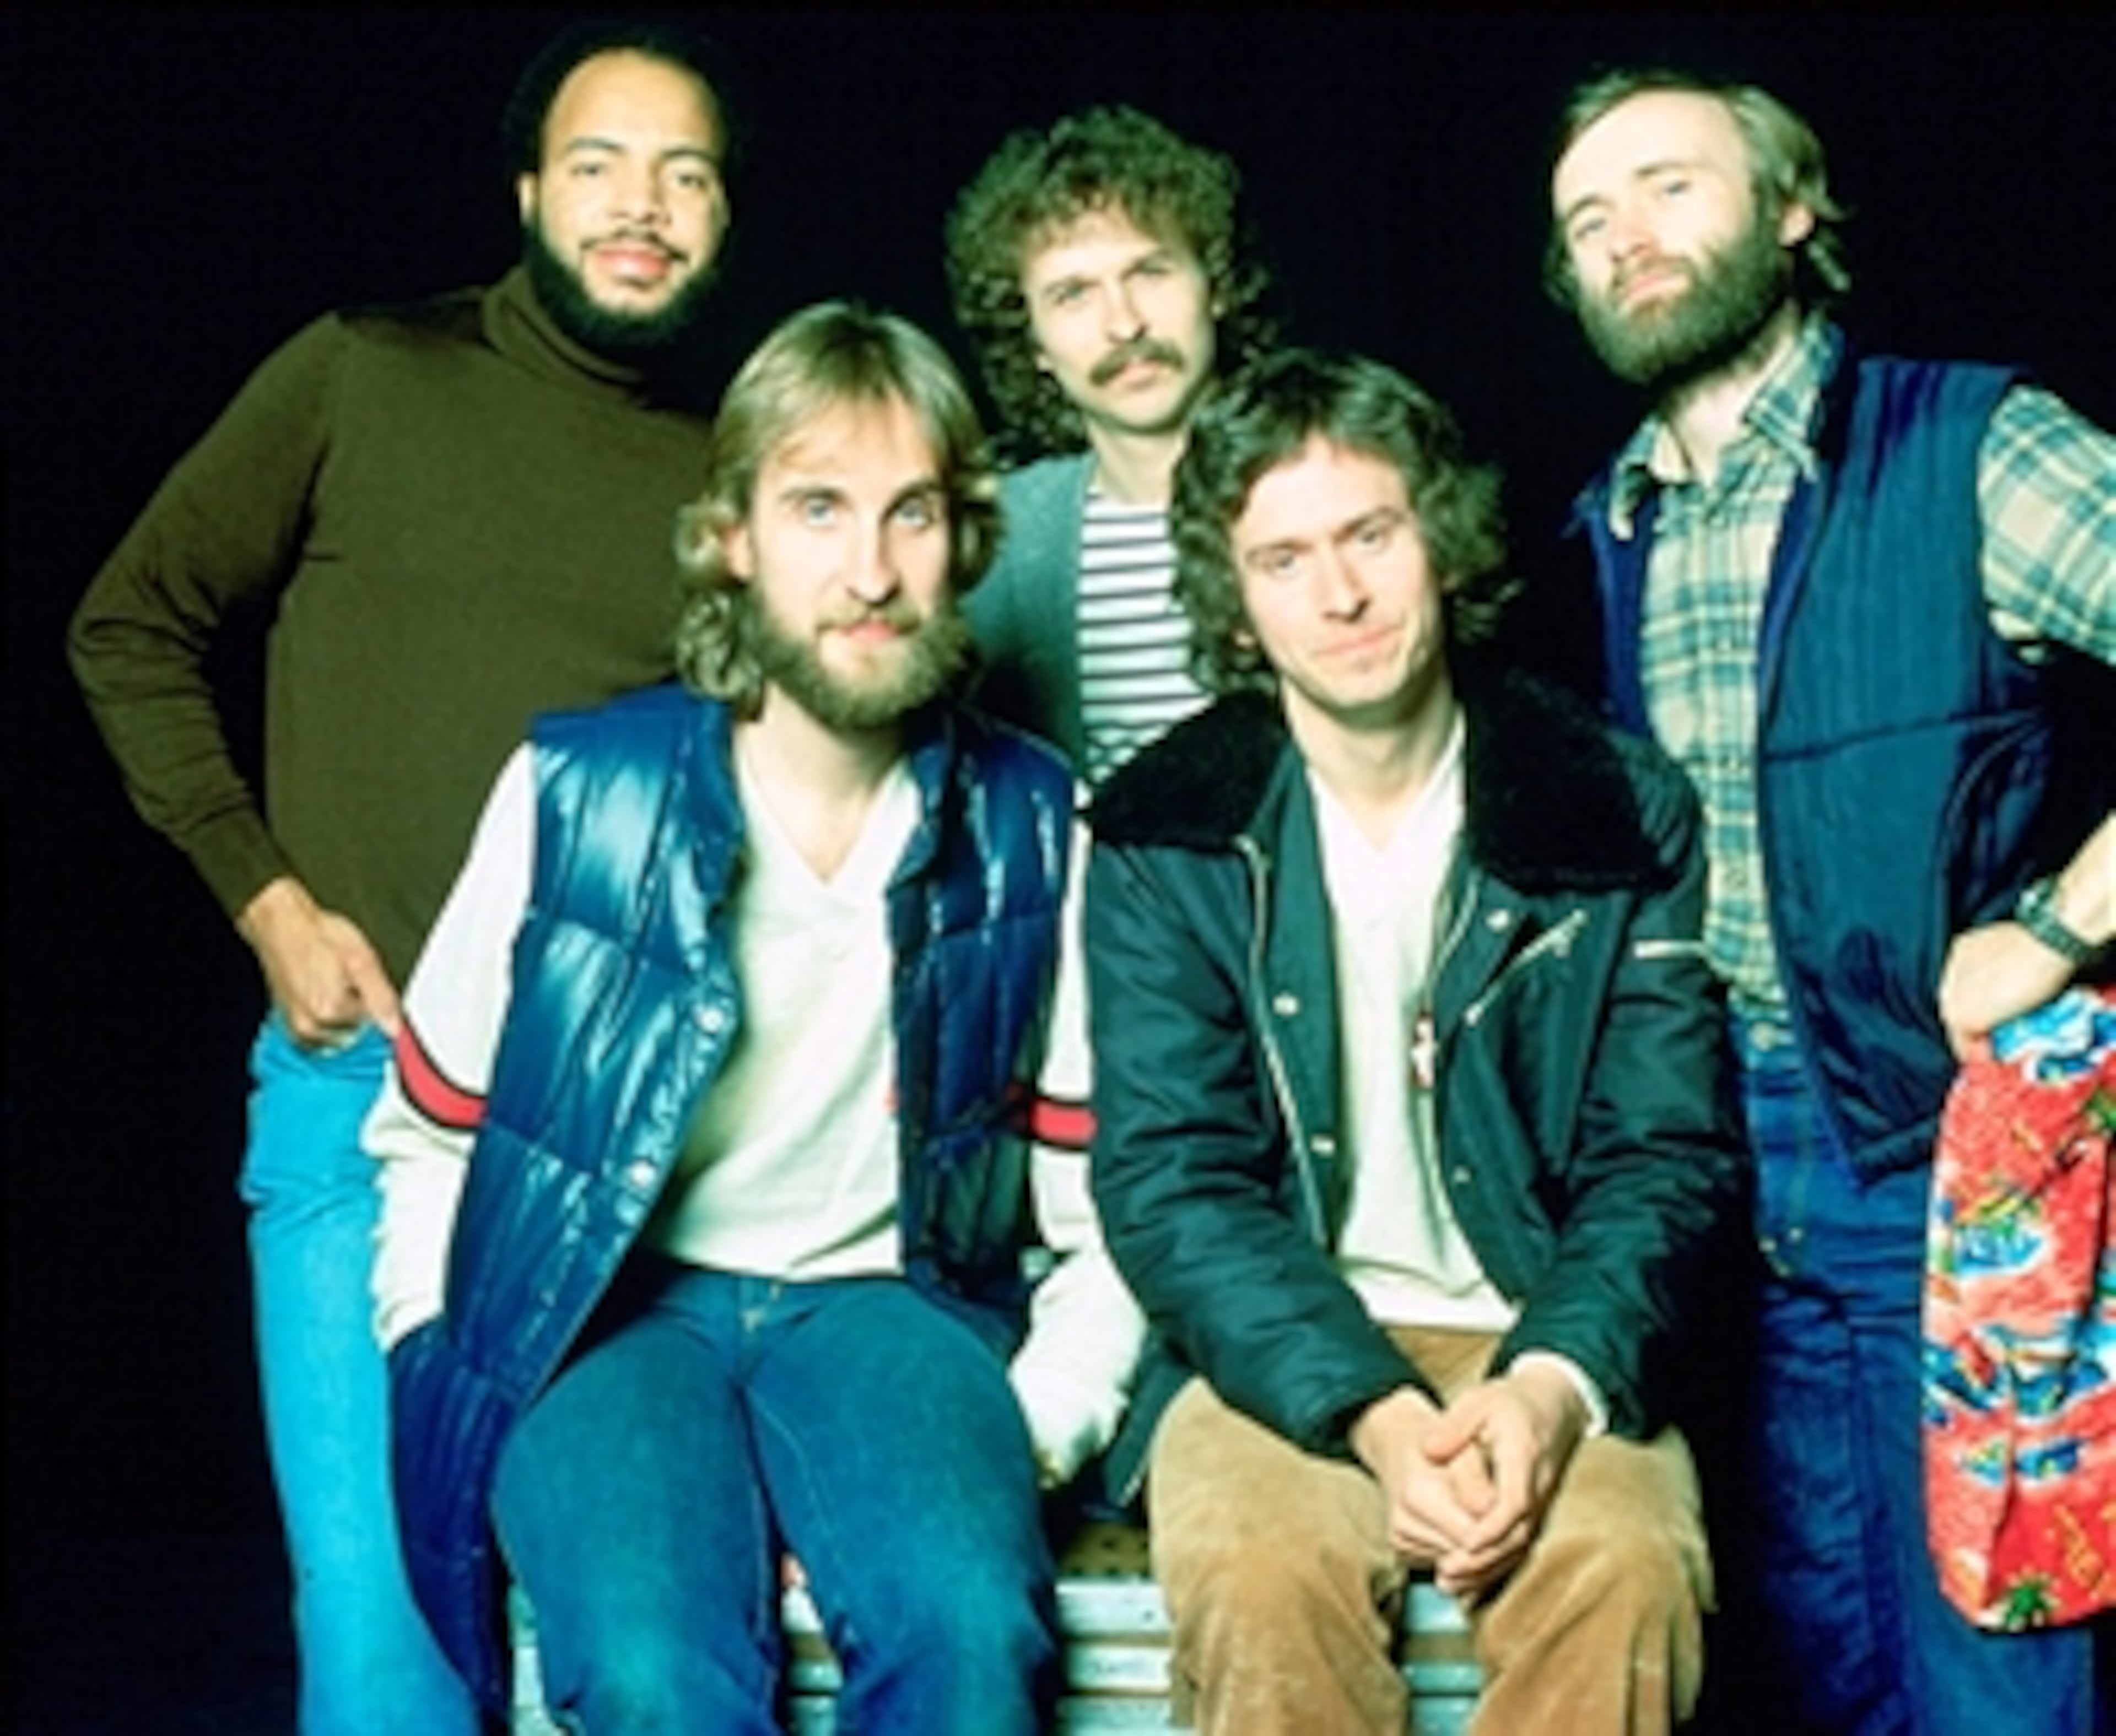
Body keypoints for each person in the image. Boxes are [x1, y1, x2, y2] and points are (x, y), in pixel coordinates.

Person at [65, 19, 736, 1732]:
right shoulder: (365, 371)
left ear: (722, 220)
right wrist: (266, 894)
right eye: (599, 165)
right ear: (526, 194)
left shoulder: (741, 468)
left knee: (633, 1646)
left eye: (685, 174)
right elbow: (128, 626)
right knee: (390, 1651)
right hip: (363, 1103)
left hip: (617, 1135)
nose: (640, 206)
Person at [366, 301, 1145, 1729]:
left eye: (912, 511)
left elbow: (1109, 1196)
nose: (868, 568)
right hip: (608, 1309)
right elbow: (430, 1132)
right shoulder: (577, 793)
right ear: (732, 534)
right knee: (658, 1672)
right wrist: (439, 1336)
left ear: (968, 539)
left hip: (895, 1305)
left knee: (973, 1639)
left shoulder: (1040, 820)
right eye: (818, 508)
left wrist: (1035, 1419)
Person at [1546, 67, 2114, 1734]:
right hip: (1713, 1184)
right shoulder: (1603, 528)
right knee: (1807, 1680)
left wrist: (2064, 923)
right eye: (1586, 219)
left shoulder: (1970, 447)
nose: (1622, 236)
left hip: (1950, 1161)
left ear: (1791, 211)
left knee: (1992, 1673)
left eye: (1665, 184)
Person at [1084, 348, 1745, 1735]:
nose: (1338, 597)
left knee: (1627, 1569)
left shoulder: (1612, 806)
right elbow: (1171, 1180)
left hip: (1544, 1324)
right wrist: (1374, 1412)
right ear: (1236, 598)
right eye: (1282, 559)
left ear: (1435, 539)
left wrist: (1549, 1391)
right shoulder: (1165, 828)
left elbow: (1664, 1156)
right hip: (1277, 1346)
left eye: (1369, 535)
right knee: (1263, 1579)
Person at [945, 104, 1276, 783]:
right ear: (1032, 340)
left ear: (1215, 285)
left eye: (1150, 272)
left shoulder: (1327, 493)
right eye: (1073, 294)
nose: (1123, 324)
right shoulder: (1001, 539)